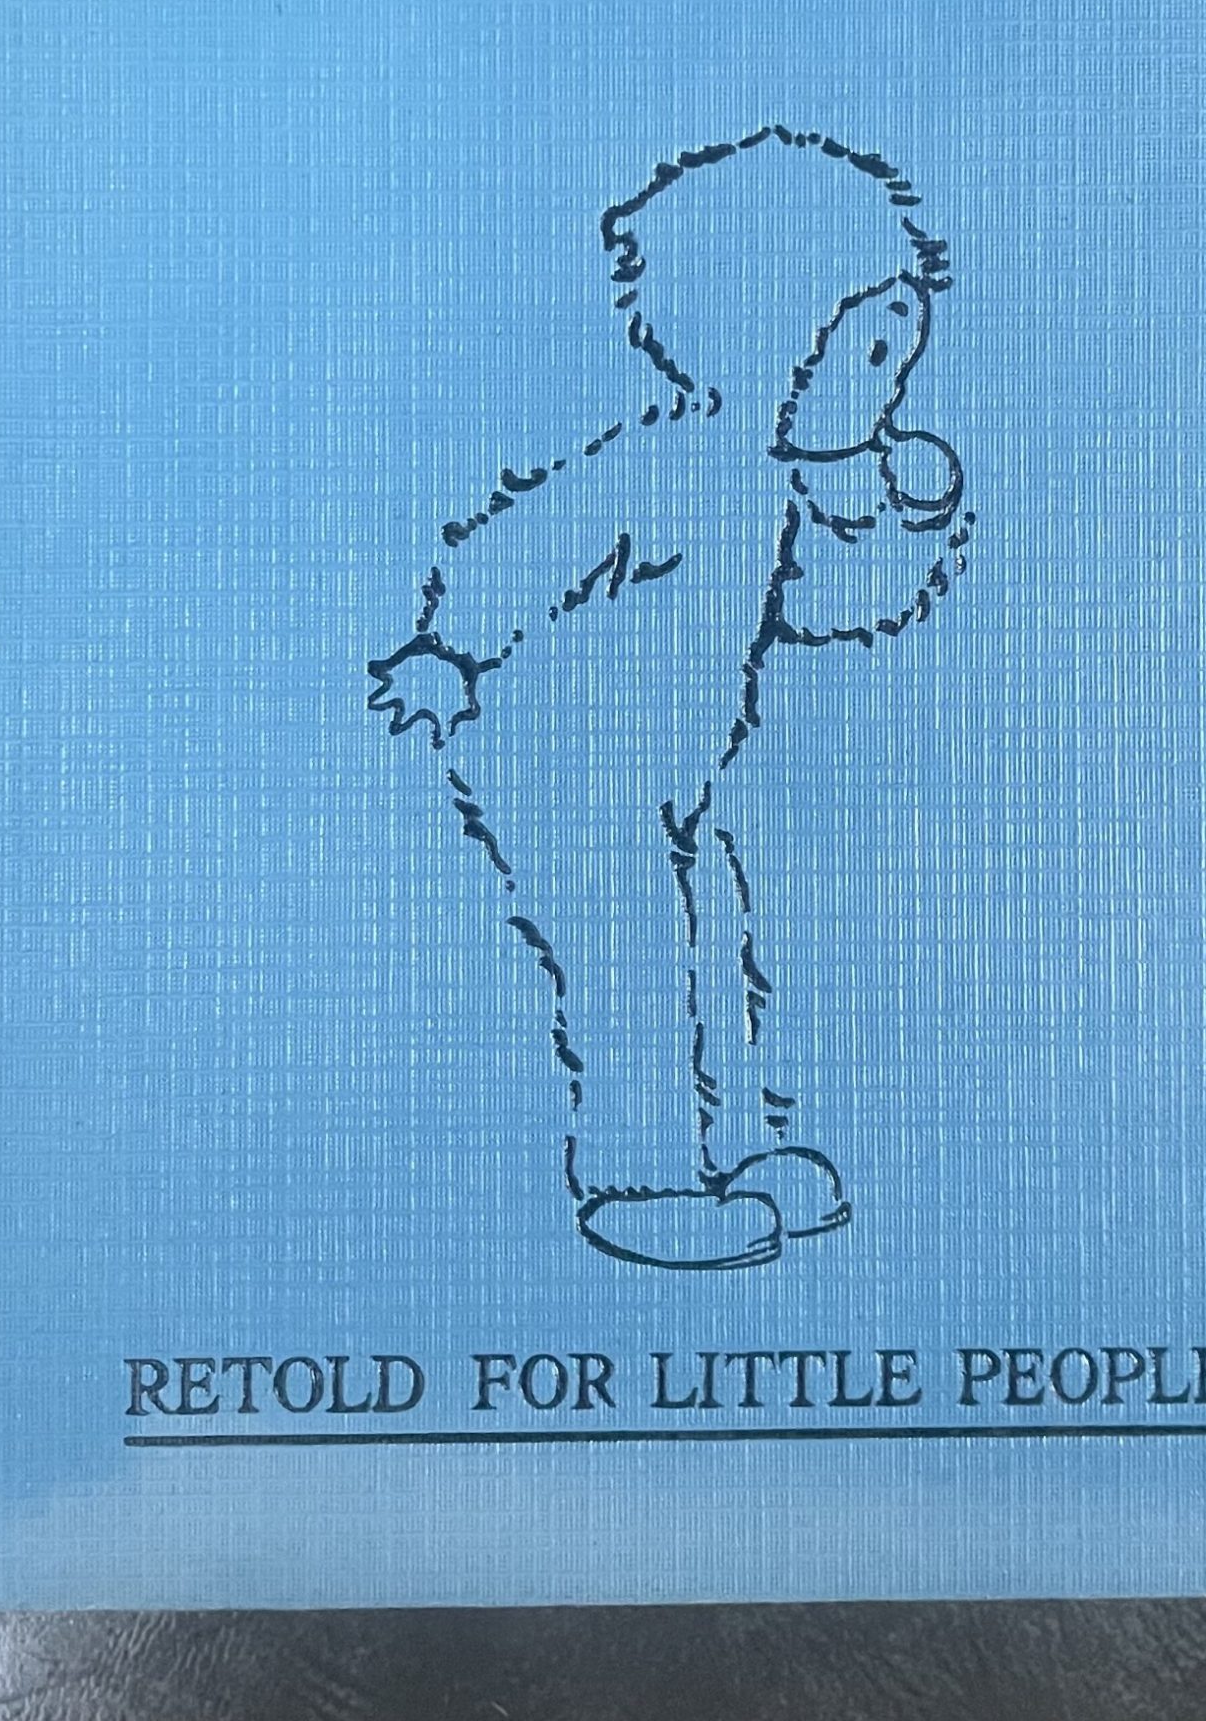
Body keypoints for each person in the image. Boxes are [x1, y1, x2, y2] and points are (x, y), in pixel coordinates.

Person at [368, 127, 971, 1269]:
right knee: (635, 948)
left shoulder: (772, 489)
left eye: (898, 353)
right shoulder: (664, 466)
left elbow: (818, 609)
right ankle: (640, 1173)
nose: (888, 385)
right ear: (773, 342)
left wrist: (903, 519)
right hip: (565, 765)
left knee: (714, 933)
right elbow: (520, 550)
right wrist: (448, 651)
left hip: (671, 780)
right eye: (863, 353)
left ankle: (737, 1144)